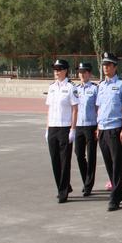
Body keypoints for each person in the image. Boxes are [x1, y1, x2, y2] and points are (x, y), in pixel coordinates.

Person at [96, 52, 122, 211]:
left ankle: (115, 197)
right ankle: (120, 192)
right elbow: (99, 107)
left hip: (115, 128)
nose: (106, 67)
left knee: (117, 164)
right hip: (103, 129)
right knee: (109, 163)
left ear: (115, 67)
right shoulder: (101, 86)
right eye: (104, 65)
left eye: (108, 65)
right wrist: (98, 127)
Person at [46, 59, 78, 203]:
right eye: (55, 69)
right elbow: (49, 109)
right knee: (55, 160)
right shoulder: (52, 87)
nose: (56, 72)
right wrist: (47, 128)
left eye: (59, 69)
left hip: (65, 128)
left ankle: (63, 191)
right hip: (53, 127)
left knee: (65, 161)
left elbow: (75, 109)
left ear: (65, 71)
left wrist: (73, 129)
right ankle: (63, 185)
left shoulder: (71, 87)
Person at [74, 62, 98, 197]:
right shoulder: (75, 89)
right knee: (79, 154)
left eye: (84, 72)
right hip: (79, 125)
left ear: (89, 73)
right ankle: (86, 179)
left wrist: (98, 126)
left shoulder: (95, 88)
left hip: (91, 125)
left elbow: (98, 108)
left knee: (91, 155)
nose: (82, 74)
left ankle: (88, 185)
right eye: (80, 72)